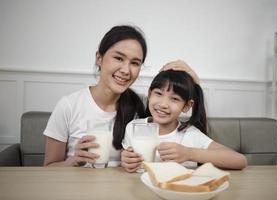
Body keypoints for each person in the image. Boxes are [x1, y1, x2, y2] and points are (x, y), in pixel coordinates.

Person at [43, 25, 200, 167]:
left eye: (135, 63)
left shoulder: (144, 105)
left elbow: (188, 133)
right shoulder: (69, 105)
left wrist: (194, 81)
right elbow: (48, 167)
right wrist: (73, 161)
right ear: (99, 58)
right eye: (118, 58)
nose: (126, 70)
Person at [121, 69, 247, 172]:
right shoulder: (133, 127)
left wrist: (189, 153)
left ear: (186, 106)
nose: (163, 104)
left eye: (174, 99)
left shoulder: (189, 134)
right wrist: (126, 160)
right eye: (158, 93)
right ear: (149, 94)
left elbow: (240, 160)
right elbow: (127, 159)